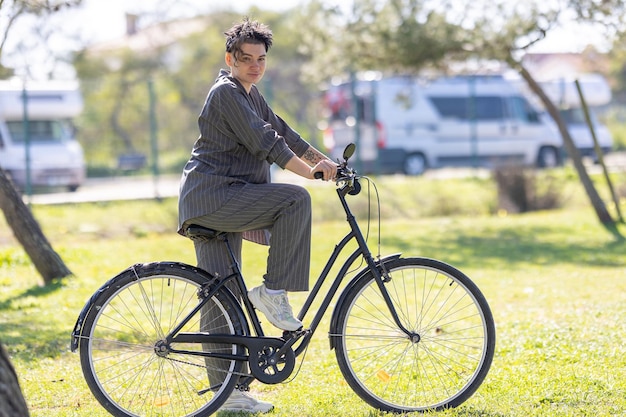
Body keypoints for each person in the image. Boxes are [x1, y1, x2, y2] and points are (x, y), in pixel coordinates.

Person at [177, 18, 337, 413]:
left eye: (261, 59)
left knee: (222, 299)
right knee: (295, 201)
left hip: (218, 199)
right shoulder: (226, 93)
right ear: (230, 58)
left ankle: (227, 395)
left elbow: (284, 131)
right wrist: (309, 173)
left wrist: (327, 162)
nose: (255, 65)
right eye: (246, 58)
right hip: (215, 197)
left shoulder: (250, 93)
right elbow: (267, 143)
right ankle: (273, 290)